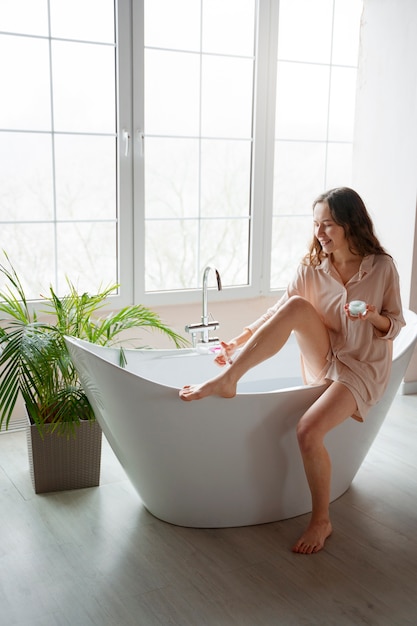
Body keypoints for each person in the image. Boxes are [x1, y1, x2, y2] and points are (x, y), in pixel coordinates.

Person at [179, 187, 405, 555]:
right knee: (299, 305)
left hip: (363, 366)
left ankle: (321, 520)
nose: (320, 233)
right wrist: (237, 341)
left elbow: (395, 325)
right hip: (326, 358)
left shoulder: (381, 267)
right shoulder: (312, 266)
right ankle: (229, 378)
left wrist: (371, 316)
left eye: (328, 225)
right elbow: (281, 311)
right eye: (316, 224)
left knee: (307, 431)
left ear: (351, 224)